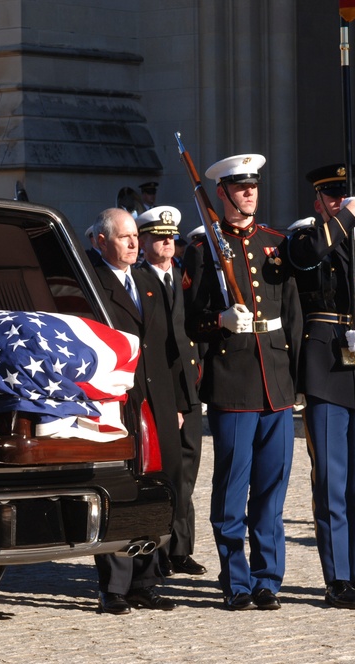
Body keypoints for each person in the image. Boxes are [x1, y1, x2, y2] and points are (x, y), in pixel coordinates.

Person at [182, 153, 302, 611]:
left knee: (272, 489)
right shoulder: (202, 249)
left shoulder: (277, 242)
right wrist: (219, 320)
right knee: (233, 488)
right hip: (233, 383)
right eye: (240, 186)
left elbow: (292, 316)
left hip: (276, 382)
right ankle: (235, 578)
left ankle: (268, 578)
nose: (250, 193)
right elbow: (192, 322)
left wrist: (298, 385)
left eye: (253, 185)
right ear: (222, 194)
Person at [289, 163, 355, 610]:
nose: (338, 202)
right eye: (331, 198)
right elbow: (307, 258)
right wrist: (345, 219)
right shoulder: (306, 241)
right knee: (331, 479)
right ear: (318, 203)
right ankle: (336, 579)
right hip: (324, 371)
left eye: (344, 196)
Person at [90, 207, 184, 615]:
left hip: (157, 401)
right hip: (119, 401)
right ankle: (114, 586)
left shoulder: (148, 280)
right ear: (101, 241)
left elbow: (170, 345)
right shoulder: (93, 284)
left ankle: (147, 578)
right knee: (120, 489)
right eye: (124, 237)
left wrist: (181, 402)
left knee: (157, 486)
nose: (133, 243)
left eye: (134, 237)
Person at [135, 205, 207, 577]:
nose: (168, 243)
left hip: (189, 390)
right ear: (143, 241)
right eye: (160, 238)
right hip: (161, 393)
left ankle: (181, 549)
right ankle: (159, 550)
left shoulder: (181, 276)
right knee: (163, 475)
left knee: (187, 474)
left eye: (171, 238)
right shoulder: (140, 280)